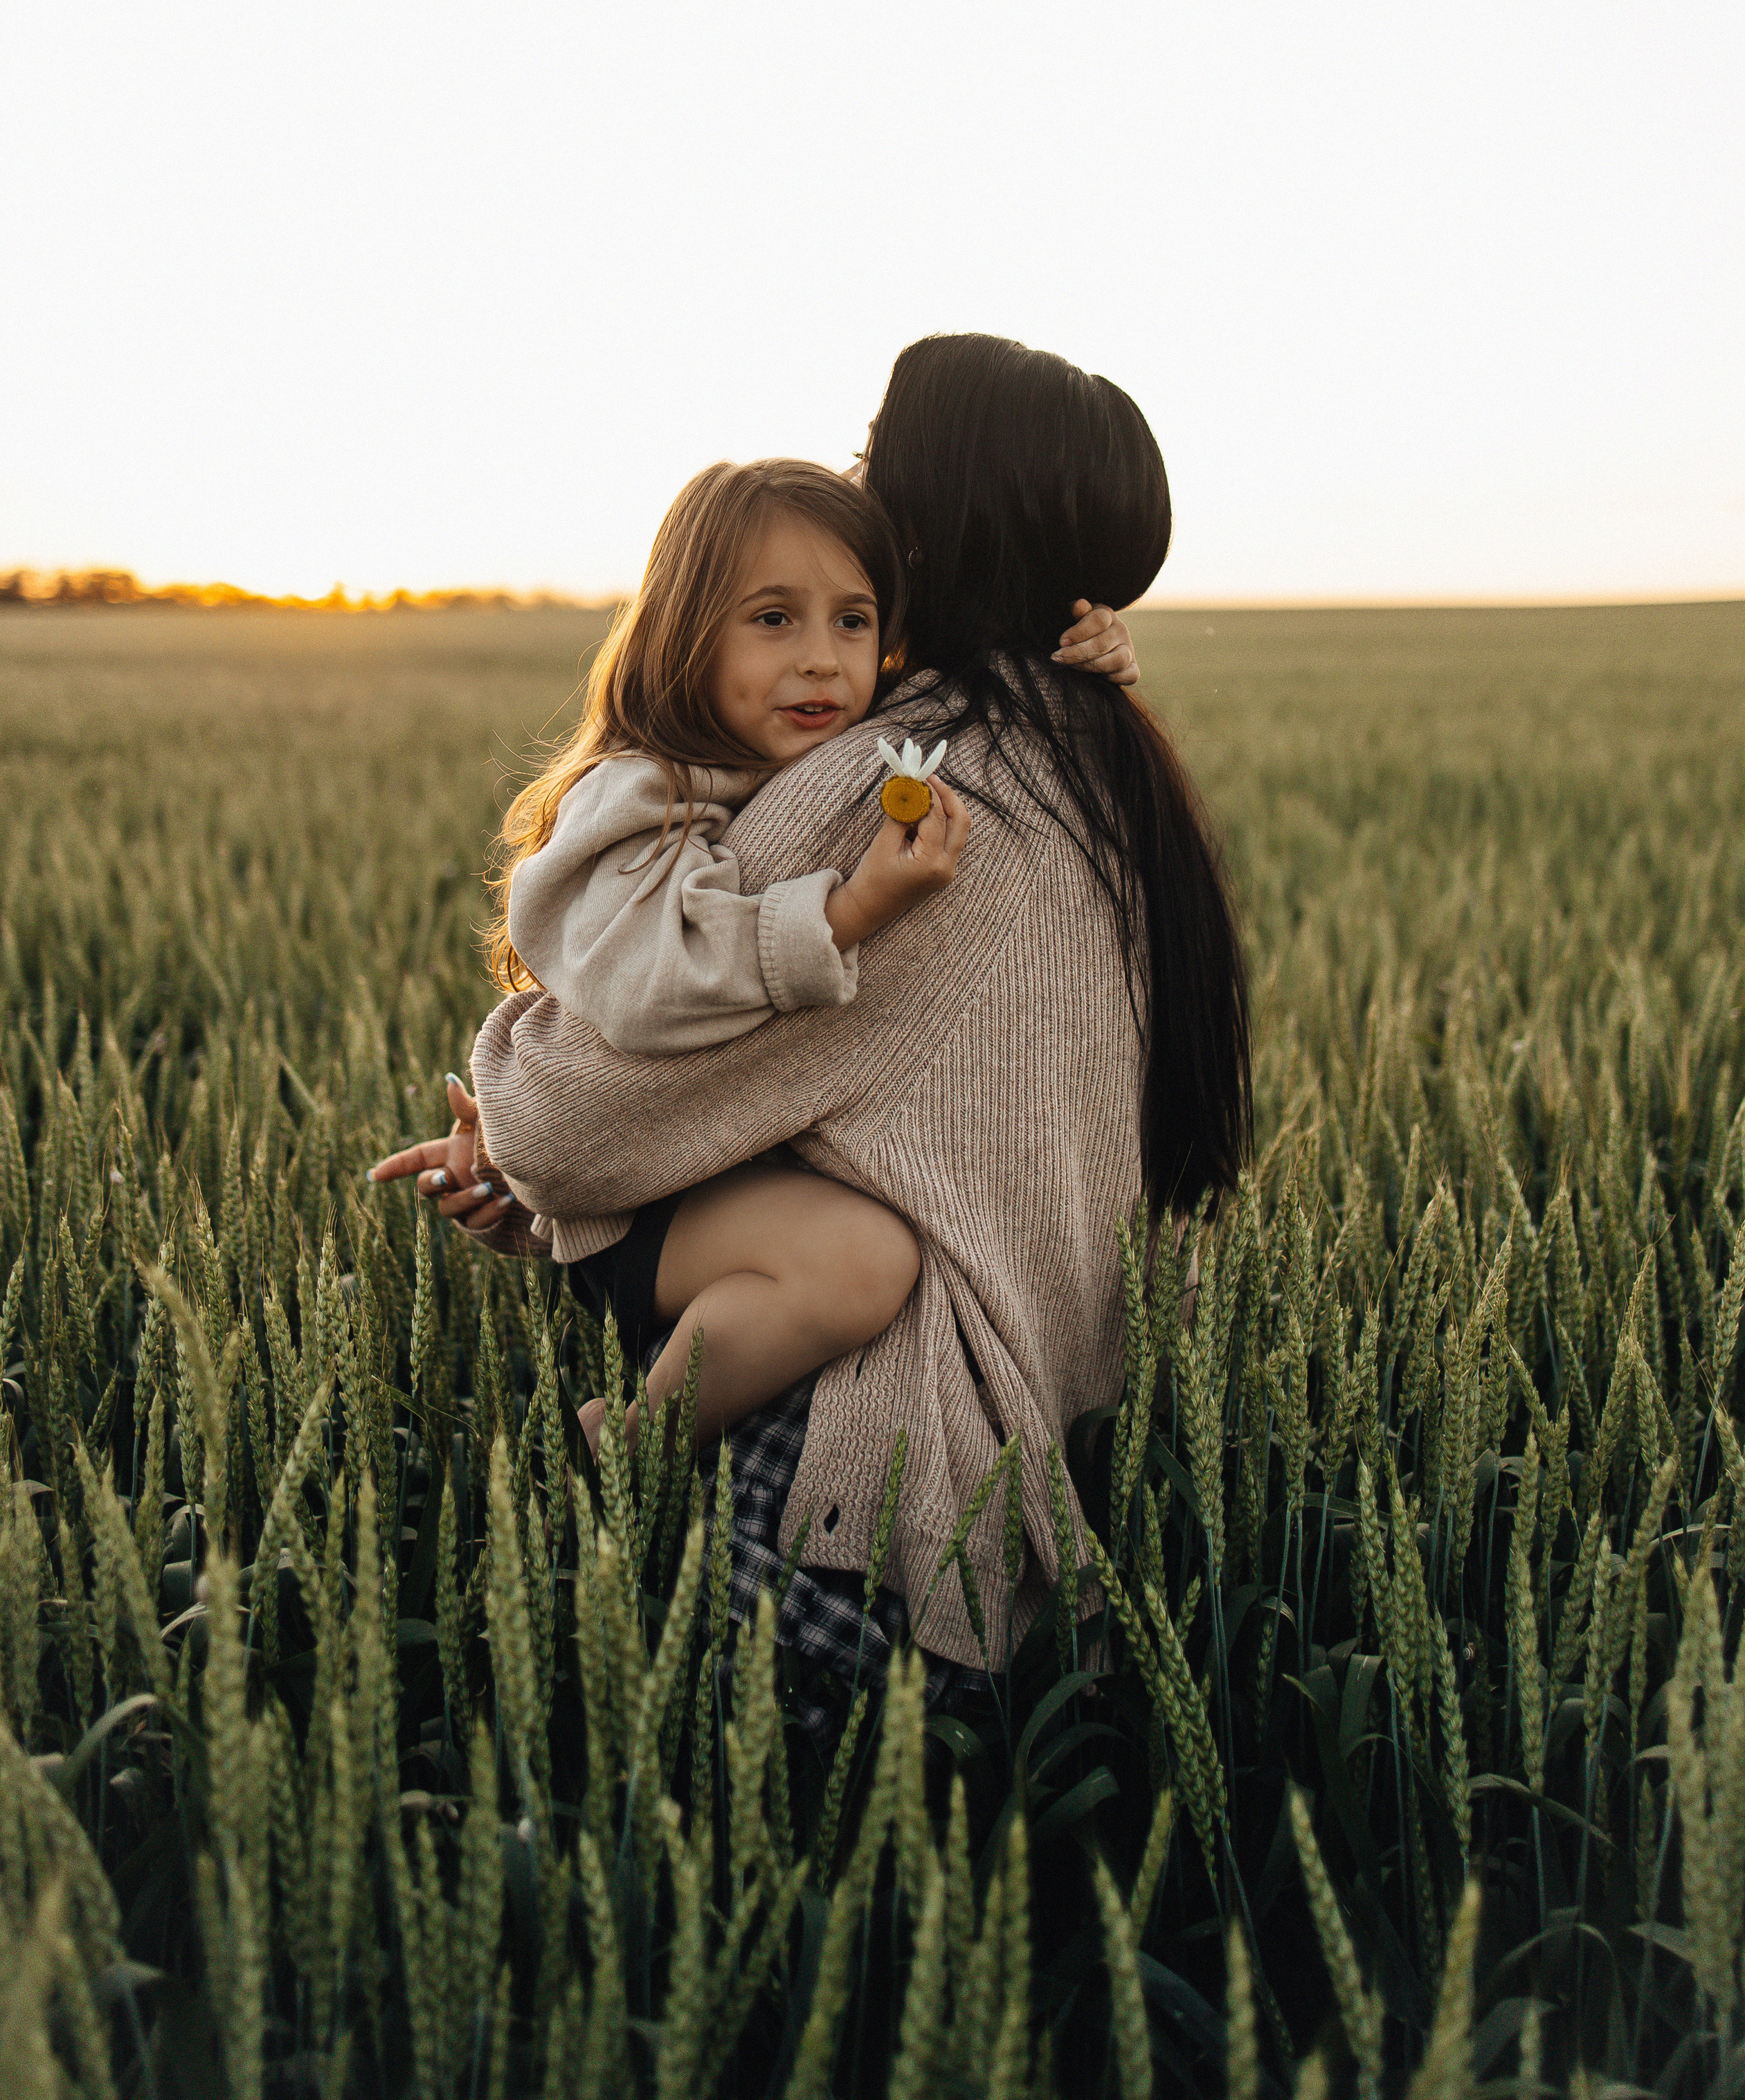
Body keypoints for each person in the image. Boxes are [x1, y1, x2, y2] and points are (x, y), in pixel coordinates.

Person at [379, 332, 1248, 1680]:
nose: (857, 486)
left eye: (876, 462)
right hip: (1065, 1481)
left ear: (942, 510)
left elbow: (572, 1116)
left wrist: (510, 1127)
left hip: (861, 1516)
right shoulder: (1111, 764)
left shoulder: (904, 793)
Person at [373, 453, 1138, 1462]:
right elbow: (658, 983)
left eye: (852, 622)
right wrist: (848, 909)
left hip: (723, 1170)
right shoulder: (642, 790)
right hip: (651, 1209)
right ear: (686, 637)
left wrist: (1086, 656)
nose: (822, 659)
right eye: (772, 619)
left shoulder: (826, 742)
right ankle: (629, 1453)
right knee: (861, 1258)